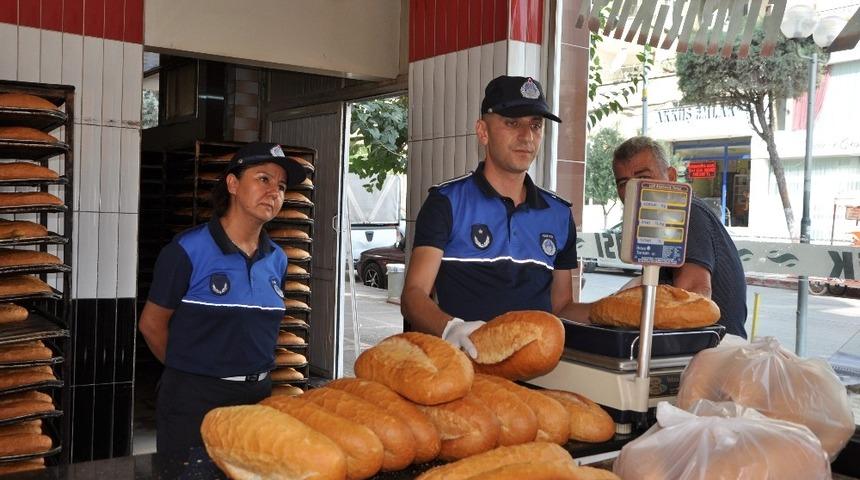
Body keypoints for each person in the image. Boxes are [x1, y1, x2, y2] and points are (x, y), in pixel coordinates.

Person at [138, 142, 307, 453]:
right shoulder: (188, 250)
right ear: (232, 183)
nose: (274, 192)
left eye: (281, 186)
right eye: (263, 179)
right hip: (195, 400)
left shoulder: (278, 259)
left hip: (258, 397)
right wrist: (191, 372)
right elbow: (151, 324)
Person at [401, 75, 584, 357]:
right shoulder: (447, 202)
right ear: (483, 132)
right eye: (512, 123)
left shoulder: (558, 214)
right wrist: (451, 328)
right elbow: (413, 295)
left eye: (535, 125)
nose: (527, 136)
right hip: (463, 368)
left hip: (535, 376)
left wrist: (621, 308)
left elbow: (561, 308)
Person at [611, 136, 748, 338]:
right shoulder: (657, 223)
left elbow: (694, 296)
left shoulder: (686, 213)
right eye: (624, 183)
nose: (635, 188)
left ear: (672, 177)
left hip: (711, 353)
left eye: (643, 177)